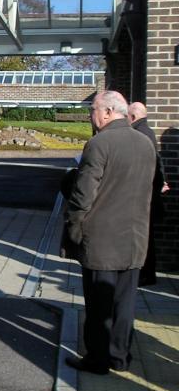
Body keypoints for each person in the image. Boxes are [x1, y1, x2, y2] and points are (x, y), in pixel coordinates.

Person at [64, 91, 156, 375]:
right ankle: (120, 356)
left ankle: (97, 359)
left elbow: (83, 194)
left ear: (106, 112)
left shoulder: (99, 143)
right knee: (125, 303)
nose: (92, 115)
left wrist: (73, 226)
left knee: (98, 304)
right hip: (135, 239)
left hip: (102, 240)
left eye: (93, 110)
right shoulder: (145, 143)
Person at [128, 102, 171, 286]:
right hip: (150, 193)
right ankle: (146, 274)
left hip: (144, 196)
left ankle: (145, 275)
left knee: (143, 237)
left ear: (132, 117)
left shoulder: (139, 134)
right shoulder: (147, 131)